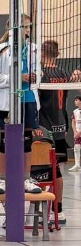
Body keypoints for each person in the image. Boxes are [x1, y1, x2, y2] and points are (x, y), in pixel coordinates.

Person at [34, 39, 68, 223]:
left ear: (41, 54)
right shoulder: (63, 72)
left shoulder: (41, 74)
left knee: (38, 168)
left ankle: (37, 209)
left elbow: (36, 103)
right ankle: (58, 211)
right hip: (60, 127)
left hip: (43, 129)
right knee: (57, 171)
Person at [72, 95, 81, 172]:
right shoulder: (75, 111)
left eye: (76, 100)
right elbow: (73, 122)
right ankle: (77, 164)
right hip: (77, 133)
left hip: (79, 132)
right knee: (76, 148)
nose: (75, 101)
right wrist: (75, 132)